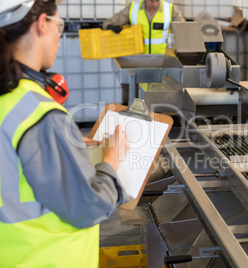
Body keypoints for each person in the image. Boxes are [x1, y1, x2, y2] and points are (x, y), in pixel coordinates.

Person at [0, 0, 130, 267]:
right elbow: (87, 207)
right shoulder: (40, 115)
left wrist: (57, 147)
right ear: (41, 25)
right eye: (59, 25)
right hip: (46, 259)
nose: (59, 37)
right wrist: (112, 160)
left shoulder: (10, 101)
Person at [103, 0, 185, 54]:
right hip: (138, 60)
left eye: (157, 1)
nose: (155, 4)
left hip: (163, 61)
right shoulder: (133, 8)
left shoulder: (170, 9)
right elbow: (108, 22)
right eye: (151, 1)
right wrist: (110, 26)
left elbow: (185, 28)